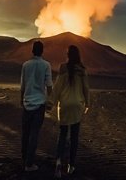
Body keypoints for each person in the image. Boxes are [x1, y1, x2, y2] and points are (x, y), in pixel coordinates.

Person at [50, 44, 91, 178]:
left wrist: (52, 102)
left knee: (62, 135)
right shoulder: (82, 70)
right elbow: (86, 89)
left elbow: (57, 88)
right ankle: (71, 166)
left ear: (68, 55)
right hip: (77, 106)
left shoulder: (63, 68)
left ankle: (58, 162)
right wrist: (87, 103)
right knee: (74, 137)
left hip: (65, 105)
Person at [20, 40, 52, 172]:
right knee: (34, 134)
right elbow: (49, 85)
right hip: (39, 104)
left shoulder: (26, 65)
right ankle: (29, 164)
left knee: (25, 133)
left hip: (27, 103)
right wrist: (50, 100)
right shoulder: (46, 65)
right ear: (42, 51)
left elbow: (23, 85)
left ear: (32, 50)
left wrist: (21, 100)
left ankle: (24, 159)